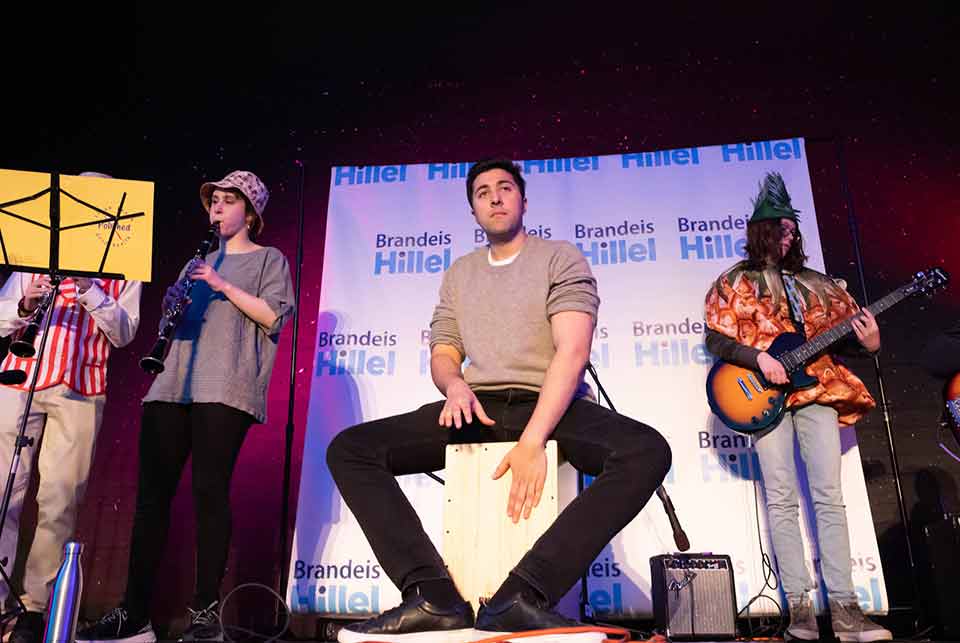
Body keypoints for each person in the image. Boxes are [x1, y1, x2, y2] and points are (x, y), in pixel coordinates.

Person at [326, 158, 671, 643]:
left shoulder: (559, 257)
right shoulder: (460, 273)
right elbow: (444, 349)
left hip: (547, 403)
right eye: (482, 191)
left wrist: (532, 442)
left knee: (646, 450)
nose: (494, 196)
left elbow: (571, 353)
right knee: (350, 449)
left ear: (523, 200)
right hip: (477, 405)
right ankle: (432, 596)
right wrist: (454, 386)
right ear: (473, 209)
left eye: (505, 187)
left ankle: (523, 595)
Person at [77, 171, 294, 643]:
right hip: (171, 384)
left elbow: (273, 315)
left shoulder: (267, 259)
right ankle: (134, 614)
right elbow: (175, 323)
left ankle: (204, 612)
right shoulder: (195, 260)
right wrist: (176, 302)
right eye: (212, 200)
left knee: (208, 493)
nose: (216, 208)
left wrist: (220, 282)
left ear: (250, 212)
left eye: (227, 201)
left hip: (225, 386)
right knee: (151, 500)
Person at [703, 172, 892, 642]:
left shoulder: (821, 284)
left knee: (829, 495)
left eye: (792, 228)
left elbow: (841, 343)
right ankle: (800, 612)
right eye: (779, 227)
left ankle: (847, 613)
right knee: (782, 498)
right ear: (760, 231)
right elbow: (716, 337)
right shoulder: (734, 282)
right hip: (764, 397)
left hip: (818, 392)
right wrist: (759, 358)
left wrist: (868, 344)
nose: (788, 235)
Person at [0, 172, 142, 643]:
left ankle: (35, 609)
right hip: (20, 379)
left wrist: (89, 288)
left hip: (81, 386)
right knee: (3, 493)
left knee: (59, 500)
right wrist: (24, 301)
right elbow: (2, 321)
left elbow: (124, 332)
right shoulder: (38, 249)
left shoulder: (124, 262)